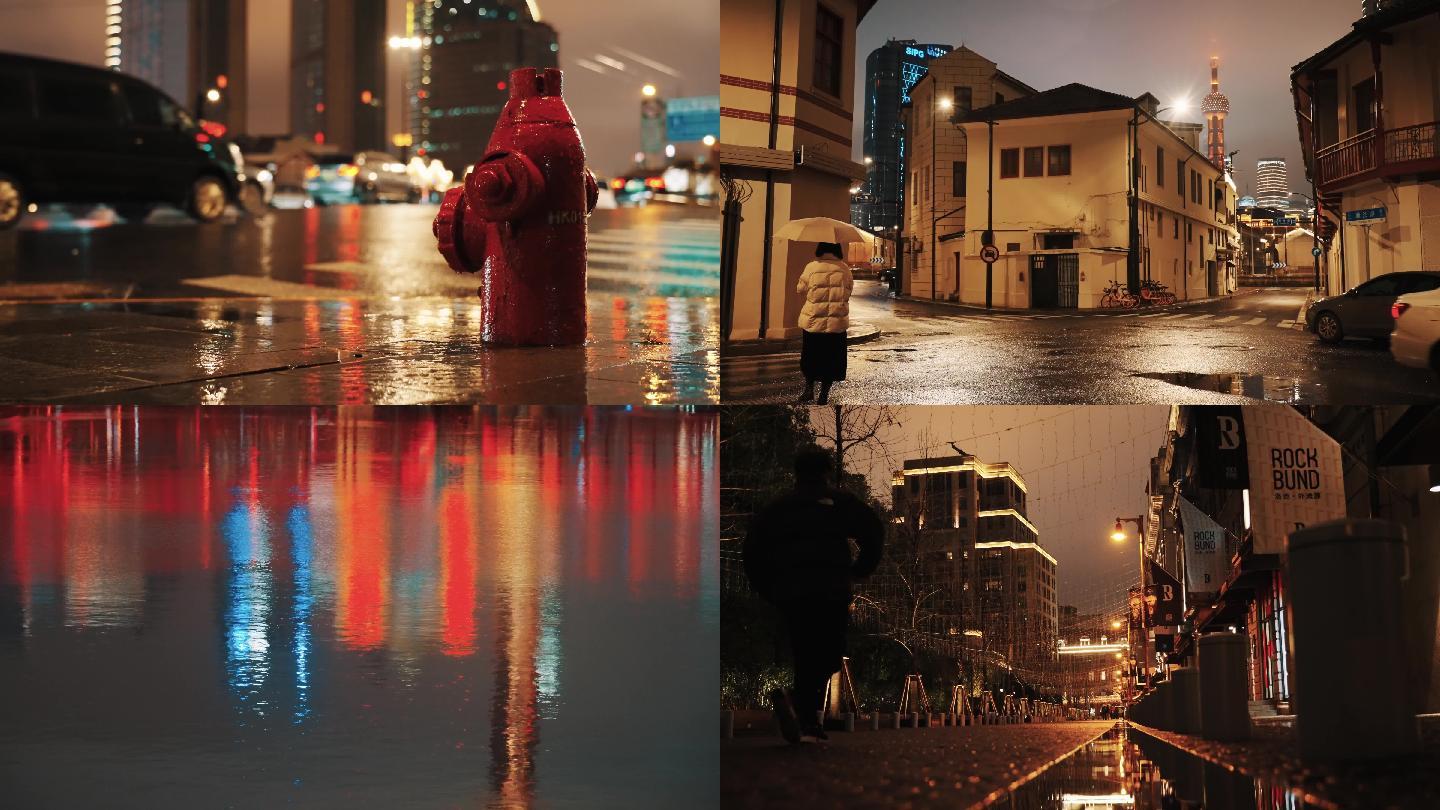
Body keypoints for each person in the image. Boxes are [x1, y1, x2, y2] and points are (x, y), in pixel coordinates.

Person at [743, 447, 883, 744]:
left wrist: (769, 588)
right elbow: (873, 530)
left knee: (805, 651)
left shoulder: (780, 507)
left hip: (793, 592)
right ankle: (801, 710)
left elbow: (752, 550)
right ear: (826, 472)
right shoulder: (838, 502)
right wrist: (860, 569)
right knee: (828, 654)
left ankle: (804, 716)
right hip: (830, 590)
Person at [795, 242, 853, 405]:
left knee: (810, 357)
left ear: (820, 249)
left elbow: (800, 288)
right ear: (838, 250)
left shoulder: (811, 267)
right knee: (831, 359)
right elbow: (848, 291)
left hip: (814, 321)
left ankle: (808, 390)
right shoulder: (844, 269)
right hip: (836, 323)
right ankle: (824, 394)